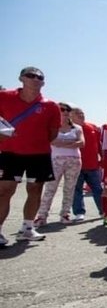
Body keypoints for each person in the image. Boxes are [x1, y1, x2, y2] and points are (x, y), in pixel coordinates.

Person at [0, 67, 61, 245]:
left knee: (35, 190)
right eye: (30, 75)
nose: (35, 79)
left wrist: (35, 142)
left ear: (43, 82)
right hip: (10, 153)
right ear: (21, 78)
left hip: (39, 154)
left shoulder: (50, 106)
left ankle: (27, 228)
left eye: (39, 77)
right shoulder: (4, 96)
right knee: (4, 191)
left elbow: (53, 132)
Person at [35, 102, 84, 226]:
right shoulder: (52, 127)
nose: (65, 112)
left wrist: (63, 143)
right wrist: (70, 143)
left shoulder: (77, 128)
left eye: (68, 110)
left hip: (74, 160)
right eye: (62, 109)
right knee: (50, 188)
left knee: (70, 188)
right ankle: (42, 216)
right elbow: (52, 141)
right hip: (56, 160)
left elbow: (81, 143)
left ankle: (65, 214)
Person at [69, 106, 103, 222]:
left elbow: (99, 145)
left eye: (82, 113)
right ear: (70, 116)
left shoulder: (92, 127)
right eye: (77, 114)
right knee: (76, 190)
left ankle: (104, 211)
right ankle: (79, 212)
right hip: (75, 165)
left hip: (92, 165)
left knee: (98, 189)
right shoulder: (68, 129)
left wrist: (102, 159)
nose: (81, 115)